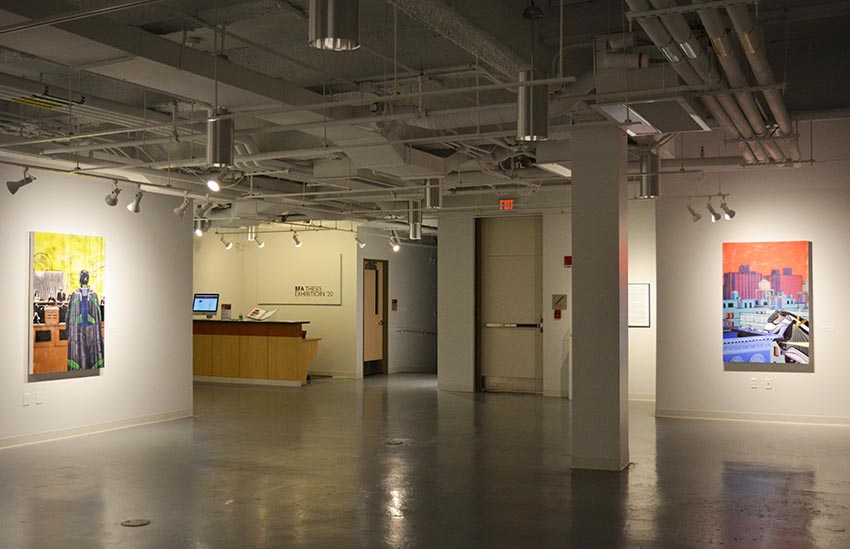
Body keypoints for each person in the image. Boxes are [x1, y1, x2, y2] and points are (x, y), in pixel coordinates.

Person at [66, 270, 104, 370]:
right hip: (92, 333)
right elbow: (98, 318)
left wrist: (67, 331)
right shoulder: (94, 295)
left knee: (79, 353)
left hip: (77, 333)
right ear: (88, 280)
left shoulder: (74, 295)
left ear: (80, 279)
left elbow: (68, 316)